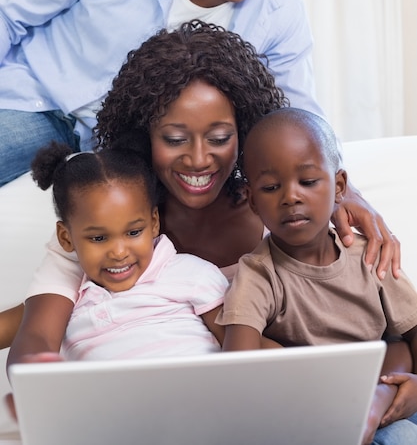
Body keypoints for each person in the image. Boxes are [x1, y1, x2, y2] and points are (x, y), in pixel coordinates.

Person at [0, 0, 400, 272]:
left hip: (128, 153)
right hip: (41, 99)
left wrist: (344, 188)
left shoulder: (280, 10)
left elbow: (298, 115)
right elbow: (9, 10)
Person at [5, 24, 411, 438]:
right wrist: (34, 385)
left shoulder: (283, 211)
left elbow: (378, 330)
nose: (199, 159)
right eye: (175, 138)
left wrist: (348, 195)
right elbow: (37, 329)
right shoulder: (108, 221)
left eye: (219, 137)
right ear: (144, 136)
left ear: (245, 133)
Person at [216, 108, 417, 445]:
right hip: (309, 408)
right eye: (270, 187)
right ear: (251, 200)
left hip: (386, 393)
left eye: (308, 182)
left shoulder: (370, 256)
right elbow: (239, 370)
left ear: (339, 186)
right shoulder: (258, 274)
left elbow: (411, 333)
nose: (291, 196)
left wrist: (407, 384)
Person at [30, 141, 227, 360]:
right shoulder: (68, 309)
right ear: (66, 238)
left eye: (133, 233)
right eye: (99, 238)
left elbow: (243, 352)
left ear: (153, 223)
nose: (119, 252)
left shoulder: (193, 274)